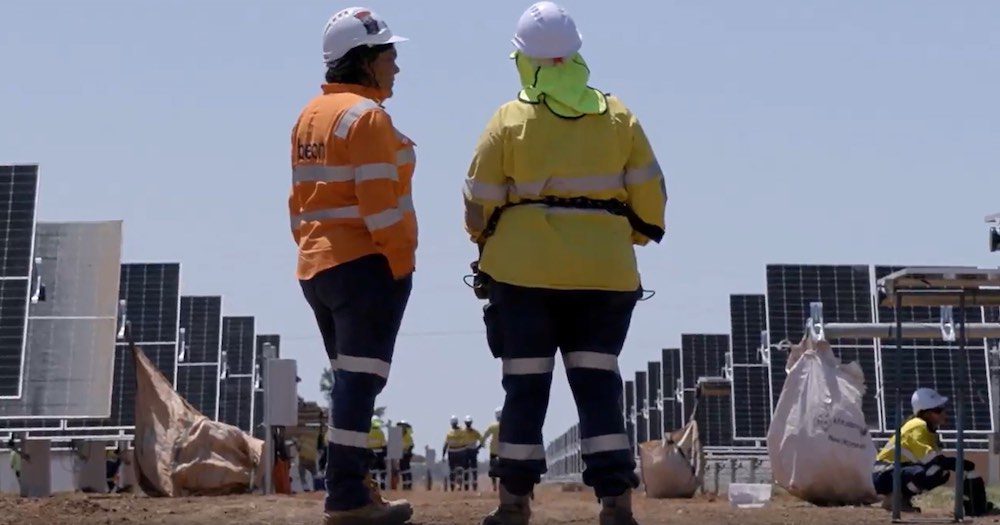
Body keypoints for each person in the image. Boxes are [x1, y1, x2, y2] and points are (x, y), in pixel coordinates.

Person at [463, 3, 666, 523]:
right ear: (576, 53)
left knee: (525, 385)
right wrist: (630, 237)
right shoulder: (619, 115)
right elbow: (650, 194)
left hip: (522, 275)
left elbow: (478, 197)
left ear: (523, 61)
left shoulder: (509, 119)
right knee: (598, 383)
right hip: (605, 277)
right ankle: (616, 502)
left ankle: (513, 503)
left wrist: (487, 239)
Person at [290, 6, 416, 524]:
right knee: (359, 381)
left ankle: (350, 487)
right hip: (366, 263)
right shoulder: (365, 118)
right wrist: (400, 264)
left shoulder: (309, 117)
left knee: (351, 379)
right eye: (389, 54)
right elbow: (380, 206)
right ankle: (345, 496)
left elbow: (299, 201)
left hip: (318, 265)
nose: (396, 66)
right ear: (363, 60)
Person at [873, 388, 996, 516]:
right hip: (884, 473)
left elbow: (936, 459)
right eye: (938, 410)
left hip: (894, 471)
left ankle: (901, 498)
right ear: (925, 414)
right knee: (934, 471)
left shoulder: (930, 431)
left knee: (940, 472)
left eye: (942, 408)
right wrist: (958, 463)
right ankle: (895, 500)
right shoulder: (918, 425)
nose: (943, 413)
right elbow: (930, 458)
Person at [443, 416, 469, 491]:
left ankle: (452, 487)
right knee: (460, 470)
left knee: (452, 470)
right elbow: (466, 443)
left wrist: (443, 455)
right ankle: (459, 485)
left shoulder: (449, 433)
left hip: (452, 453)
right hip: (462, 452)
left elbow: (445, 445)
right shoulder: (462, 431)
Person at [481, 407, 502, 491]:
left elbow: (485, 436)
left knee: (492, 469)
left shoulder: (492, 426)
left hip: (493, 451)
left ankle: (494, 485)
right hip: (506, 451)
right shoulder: (509, 425)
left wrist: (482, 444)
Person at [462, 416, 484, 491]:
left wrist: (477, 448)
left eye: (469, 423)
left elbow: (482, 441)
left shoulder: (474, 432)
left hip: (469, 452)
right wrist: (477, 449)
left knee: (472, 469)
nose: (468, 424)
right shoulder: (464, 432)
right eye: (467, 423)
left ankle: (473, 485)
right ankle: (467, 486)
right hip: (467, 451)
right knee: (466, 470)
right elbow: (482, 441)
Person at [368, 417, 388, 490]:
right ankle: (383, 484)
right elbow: (384, 444)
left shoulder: (368, 432)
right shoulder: (380, 432)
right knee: (382, 470)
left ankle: (374, 485)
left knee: (373, 470)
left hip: (370, 453)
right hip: (380, 454)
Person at [398, 421, 415, 490]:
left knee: (406, 468)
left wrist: (407, 451)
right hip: (400, 454)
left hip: (406, 455)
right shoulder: (398, 436)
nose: (402, 428)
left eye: (403, 427)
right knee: (402, 469)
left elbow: (411, 445)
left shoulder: (408, 436)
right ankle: (404, 485)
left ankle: (409, 485)